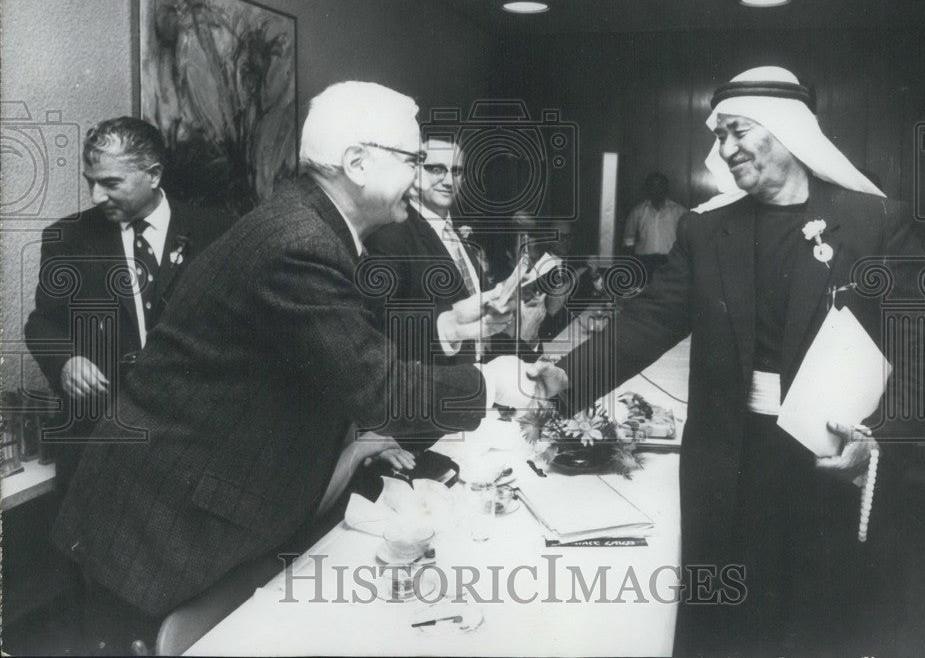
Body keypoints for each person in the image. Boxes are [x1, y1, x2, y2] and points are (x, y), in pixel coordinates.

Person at [49, 82, 558, 652]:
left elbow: (334, 341)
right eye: (414, 160)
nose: (421, 177)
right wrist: (492, 382)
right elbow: (374, 387)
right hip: (157, 530)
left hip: (197, 507)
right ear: (357, 163)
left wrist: (448, 326)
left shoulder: (311, 224)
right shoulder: (300, 240)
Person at [546, 66, 925, 656]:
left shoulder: (875, 222)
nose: (725, 149)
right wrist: (567, 376)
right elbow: (651, 318)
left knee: (819, 624)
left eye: (738, 132)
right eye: (720, 136)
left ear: (787, 130)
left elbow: (921, 354)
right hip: (727, 460)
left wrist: (880, 438)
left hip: (831, 461)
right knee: (724, 625)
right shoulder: (706, 230)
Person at [24, 116, 230, 496]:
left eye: (110, 183)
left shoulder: (218, 231)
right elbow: (41, 324)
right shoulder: (67, 238)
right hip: (101, 444)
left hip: (193, 441)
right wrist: (66, 361)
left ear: (152, 175)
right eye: (91, 182)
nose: (96, 197)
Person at [366, 137, 510, 368]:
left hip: (482, 378)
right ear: (414, 173)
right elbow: (377, 324)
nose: (448, 180)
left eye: (456, 171)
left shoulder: (457, 234)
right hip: (436, 388)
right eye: (435, 169)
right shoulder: (391, 235)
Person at [622, 171, 686, 274]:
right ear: (648, 188)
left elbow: (687, 239)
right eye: (653, 186)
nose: (657, 189)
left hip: (670, 261)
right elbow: (628, 239)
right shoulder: (638, 211)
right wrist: (632, 260)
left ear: (666, 188)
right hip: (644, 261)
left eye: (660, 185)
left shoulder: (679, 212)